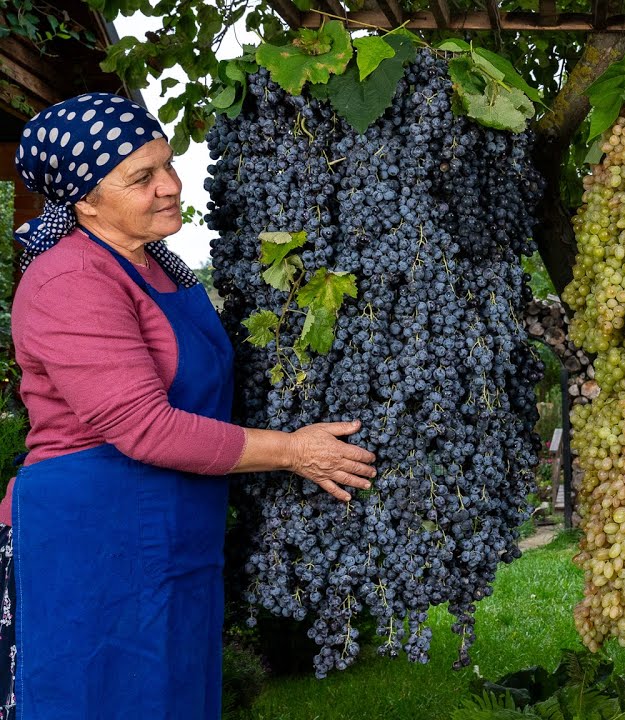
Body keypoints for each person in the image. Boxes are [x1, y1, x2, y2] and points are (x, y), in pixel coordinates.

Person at [3, 92, 377, 719]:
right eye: (141, 177)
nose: (170, 186)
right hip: (93, 547)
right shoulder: (70, 280)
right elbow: (143, 428)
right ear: (85, 199)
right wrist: (293, 452)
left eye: (167, 165)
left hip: (172, 538)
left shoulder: (162, 269)